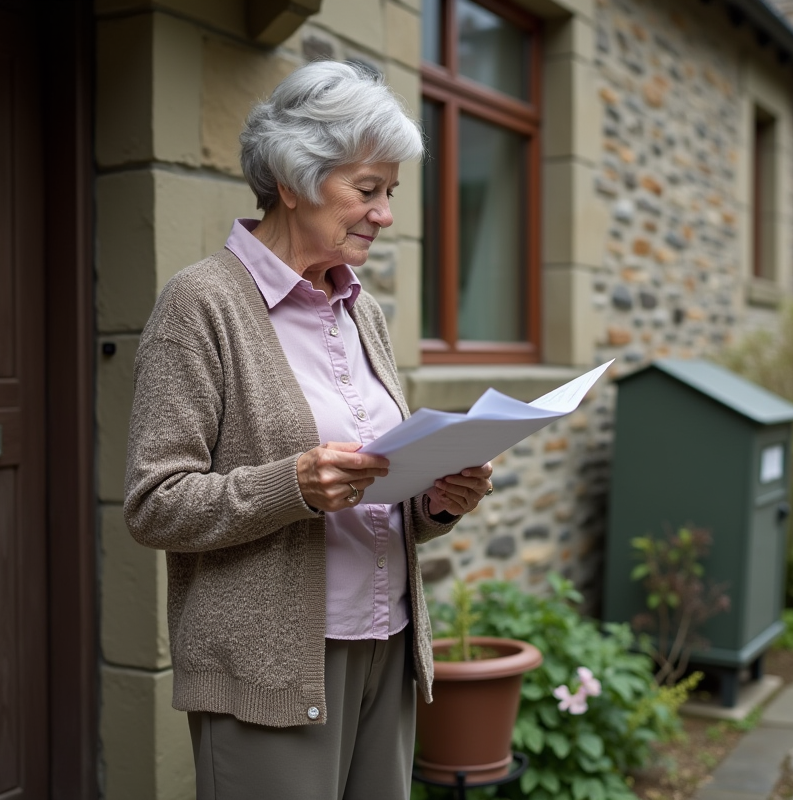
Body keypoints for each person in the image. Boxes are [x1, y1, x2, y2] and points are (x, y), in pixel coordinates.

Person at [123, 60, 493, 800]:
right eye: (368, 189)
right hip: (272, 668)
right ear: (293, 180)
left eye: (390, 193)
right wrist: (291, 484)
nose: (385, 214)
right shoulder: (200, 305)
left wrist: (435, 500)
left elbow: (374, 493)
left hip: (387, 644)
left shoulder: (363, 310)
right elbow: (154, 504)